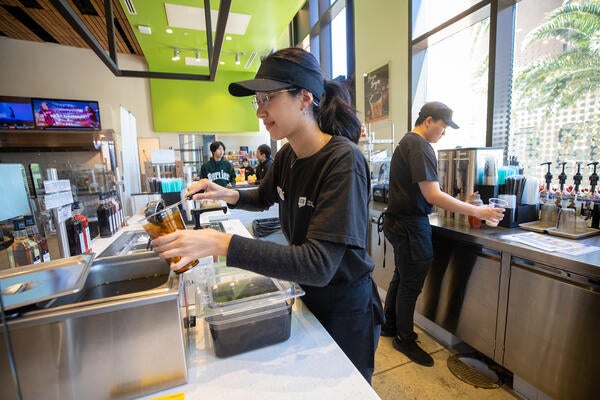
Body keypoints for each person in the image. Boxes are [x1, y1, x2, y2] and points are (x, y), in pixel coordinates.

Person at [151, 47, 384, 383]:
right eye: (257, 100)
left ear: (305, 98)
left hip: (344, 308)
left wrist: (220, 243)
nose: (260, 110)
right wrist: (225, 194)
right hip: (306, 297)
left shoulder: (343, 161)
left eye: (268, 98)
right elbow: (264, 196)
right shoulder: (288, 155)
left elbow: (318, 264)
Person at [380, 101, 505, 367]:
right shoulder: (420, 146)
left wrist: (467, 205)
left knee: (401, 278)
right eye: (443, 126)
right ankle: (405, 338)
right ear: (429, 121)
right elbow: (433, 195)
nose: (444, 133)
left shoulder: (406, 142)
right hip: (410, 225)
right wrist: (478, 212)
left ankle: (389, 326)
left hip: (398, 222)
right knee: (410, 284)